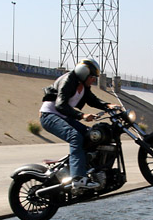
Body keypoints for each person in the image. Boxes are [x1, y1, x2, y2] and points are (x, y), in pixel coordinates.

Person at [38, 58, 117, 190]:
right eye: (92, 77)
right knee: (75, 137)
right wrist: (82, 115)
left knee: (91, 136)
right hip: (49, 116)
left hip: (64, 117)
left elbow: (92, 100)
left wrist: (107, 105)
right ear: (83, 73)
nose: (94, 80)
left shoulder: (84, 86)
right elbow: (60, 105)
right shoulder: (68, 81)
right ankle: (78, 179)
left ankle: (89, 171)